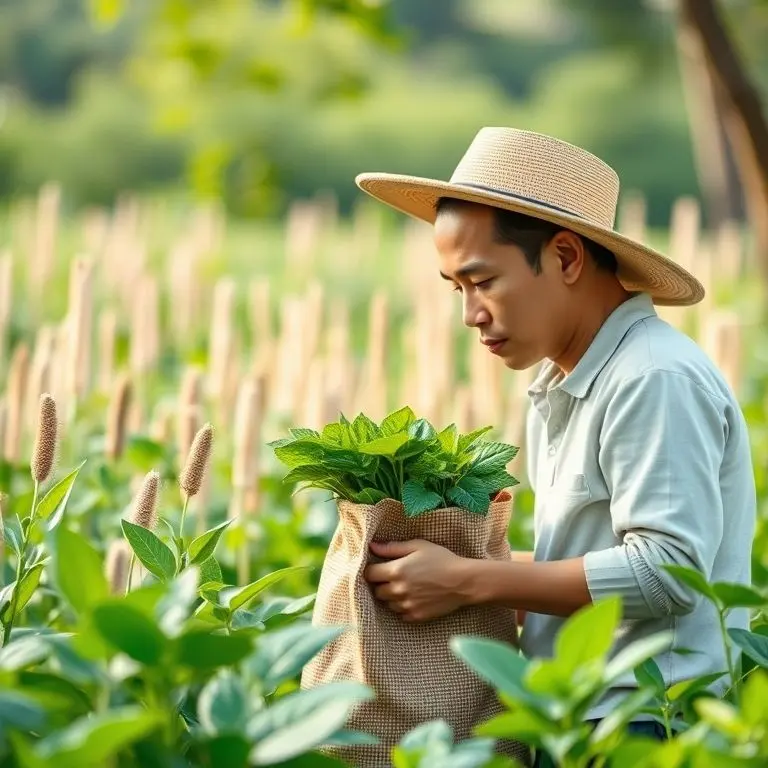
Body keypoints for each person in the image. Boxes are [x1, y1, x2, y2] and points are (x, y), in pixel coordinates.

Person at [355, 127, 757, 761]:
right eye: (455, 288)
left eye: (483, 281)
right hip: (577, 714)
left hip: (647, 723)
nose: (470, 314)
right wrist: (444, 566)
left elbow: (669, 572)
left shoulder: (651, 377)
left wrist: (469, 581)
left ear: (567, 257)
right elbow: (589, 561)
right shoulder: (566, 379)